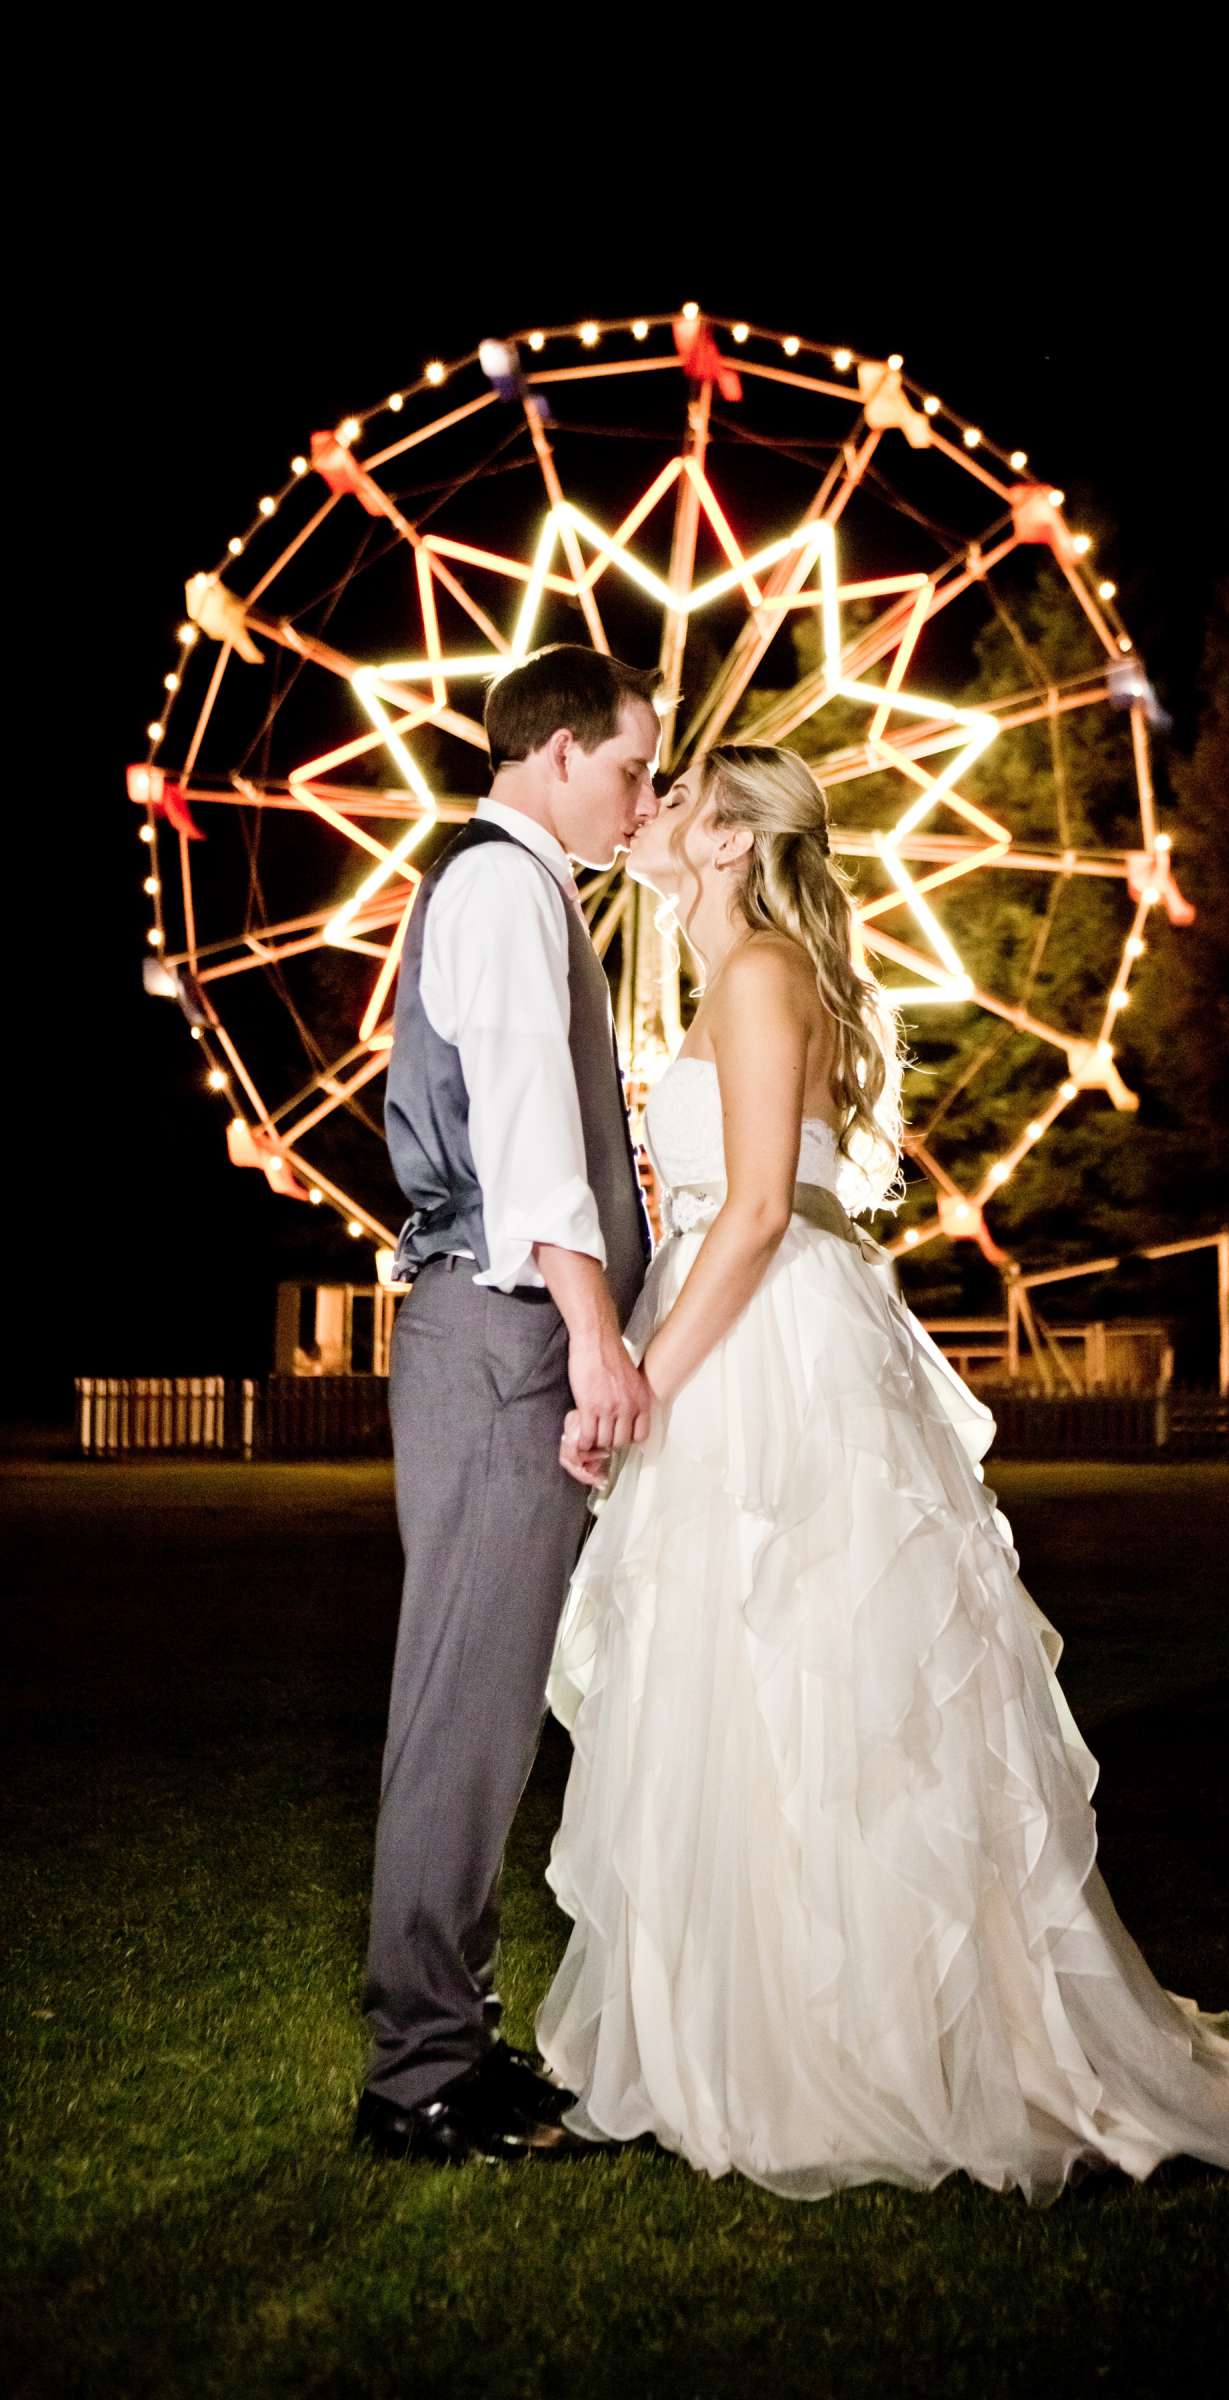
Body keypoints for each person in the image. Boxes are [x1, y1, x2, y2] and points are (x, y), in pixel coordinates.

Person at [536, 742, 1229, 2202]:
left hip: (771, 1347)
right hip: (750, 1327)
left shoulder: (765, 975)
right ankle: (757, 2009)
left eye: (676, 800)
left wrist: (653, 1373)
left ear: (728, 845)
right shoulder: (737, 971)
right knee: (742, 1676)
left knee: (817, 1671)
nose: (647, 814)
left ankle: (850, 2033)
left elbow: (767, 1207)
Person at [354, 645, 663, 2166]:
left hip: (504, 1321)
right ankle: (419, 2073)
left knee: (483, 1708)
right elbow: (533, 1127)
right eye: (630, 769)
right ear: (555, 756)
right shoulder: (503, 888)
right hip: (510, 1325)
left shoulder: (518, 887)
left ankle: (455, 2041)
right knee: (462, 1706)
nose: (643, 798)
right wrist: (596, 1328)